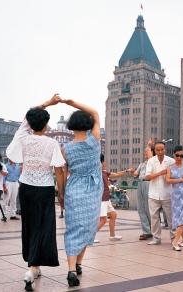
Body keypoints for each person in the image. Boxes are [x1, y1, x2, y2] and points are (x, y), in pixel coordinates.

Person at [6, 94, 65, 291]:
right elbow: (58, 170)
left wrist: (47, 103)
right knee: (44, 227)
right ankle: (32, 268)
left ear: (30, 123)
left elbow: (27, 116)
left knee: (30, 225)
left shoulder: (23, 138)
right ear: (46, 124)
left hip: (26, 188)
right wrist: (61, 194)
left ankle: (34, 265)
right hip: (45, 189)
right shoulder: (52, 143)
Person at [61, 98, 103, 287]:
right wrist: (72, 103)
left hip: (74, 188)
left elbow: (64, 171)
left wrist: (61, 194)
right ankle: (79, 264)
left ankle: (71, 269)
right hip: (93, 189)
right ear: (87, 124)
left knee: (73, 229)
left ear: (71, 126)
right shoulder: (94, 141)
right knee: (88, 227)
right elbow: (94, 112)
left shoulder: (66, 148)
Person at [94, 153, 135, 243]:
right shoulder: (95, 173)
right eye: (104, 162)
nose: (105, 163)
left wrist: (127, 171)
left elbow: (116, 174)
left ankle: (112, 235)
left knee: (113, 215)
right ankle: (90, 237)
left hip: (106, 199)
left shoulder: (104, 173)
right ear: (101, 163)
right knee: (103, 219)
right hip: (101, 199)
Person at [145, 141, 176, 245]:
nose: (160, 151)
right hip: (153, 194)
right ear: (154, 151)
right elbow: (147, 177)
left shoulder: (171, 161)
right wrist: (160, 173)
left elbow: (176, 175)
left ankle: (174, 238)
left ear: (165, 149)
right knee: (154, 218)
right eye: (158, 150)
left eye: (162, 149)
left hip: (168, 194)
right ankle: (156, 238)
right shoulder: (151, 161)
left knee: (171, 218)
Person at [133, 138, 154, 240]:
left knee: (148, 208)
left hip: (148, 184)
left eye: (147, 151)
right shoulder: (142, 164)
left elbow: (151, 160)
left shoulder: (153, 162)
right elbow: (136, 174)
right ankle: (146, 231)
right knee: (140, 208)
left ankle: (152, 230)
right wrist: (132, 172)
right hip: (140, 184)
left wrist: (149, 146)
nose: (145, 152)